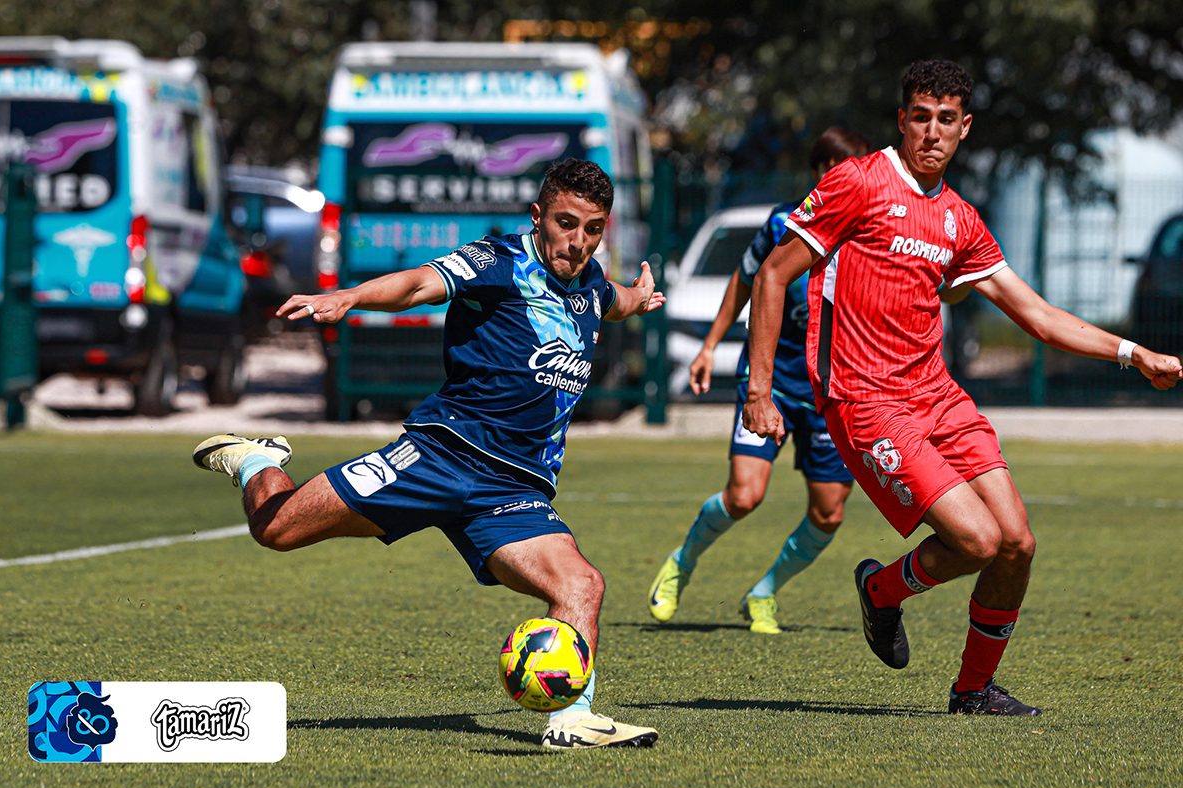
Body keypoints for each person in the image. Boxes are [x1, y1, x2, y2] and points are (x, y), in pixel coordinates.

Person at [742, 61, 1182, 715]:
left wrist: (1132, 351)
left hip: (938, 396)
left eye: (946, 119)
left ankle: (972, 689)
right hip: (866, 399)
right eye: (920, 116)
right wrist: (758, 392)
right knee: (975, 540)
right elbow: (773, 276)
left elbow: (1036, 316)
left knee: (1017, 544)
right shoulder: (858, 182)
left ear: (964, 127)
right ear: (902, 120)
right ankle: (885, 591)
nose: (931, 131)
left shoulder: (959, 219)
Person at [192, 159, 664, 749]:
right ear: (538, 216)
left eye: (593, 229)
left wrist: (637, 297)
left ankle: (571, 721)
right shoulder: (499, 262)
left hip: (512, 492)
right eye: (566, 224)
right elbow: (417, 284)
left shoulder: (590, 283)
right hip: (440, 456)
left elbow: (610, 300)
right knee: (277, 529)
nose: (577, 241)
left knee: (582, 585)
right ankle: (257, 461)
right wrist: (349, 297)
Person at [647, 127, 870, 634]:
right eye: (838, 169)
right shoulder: (783, 223)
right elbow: (746, 283)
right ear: (818, 173)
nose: (849, 179)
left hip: (833, 391)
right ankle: (682, 561)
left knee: (830, 513)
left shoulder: (869, 233)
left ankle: (763, 592)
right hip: (770, 378)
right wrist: (708, 347)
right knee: (745, 494)